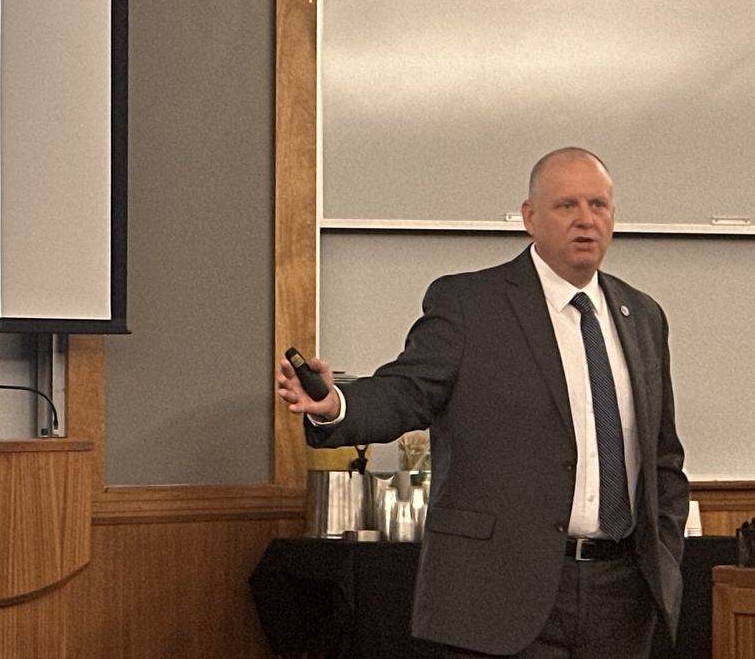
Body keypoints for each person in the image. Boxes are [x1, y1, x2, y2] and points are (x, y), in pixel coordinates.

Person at [277, 148, 687, 659]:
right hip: (500, 594)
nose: (586, 220)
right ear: (530, 217)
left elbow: (663, 455)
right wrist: (336, 402)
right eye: (566, 206)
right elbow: (407, 390)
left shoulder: (642, 315)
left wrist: (663, 556)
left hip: (621, 597)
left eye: (599, 205)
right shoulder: (471, 304)